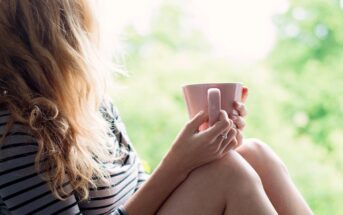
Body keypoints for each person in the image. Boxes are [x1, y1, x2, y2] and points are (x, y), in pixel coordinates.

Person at [0, 1, 313, 215]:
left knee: (254, 153)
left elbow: (139, 191)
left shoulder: (90, 103)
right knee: (228, 173)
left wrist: (203, 149)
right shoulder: (16, 132)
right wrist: (177, 163)